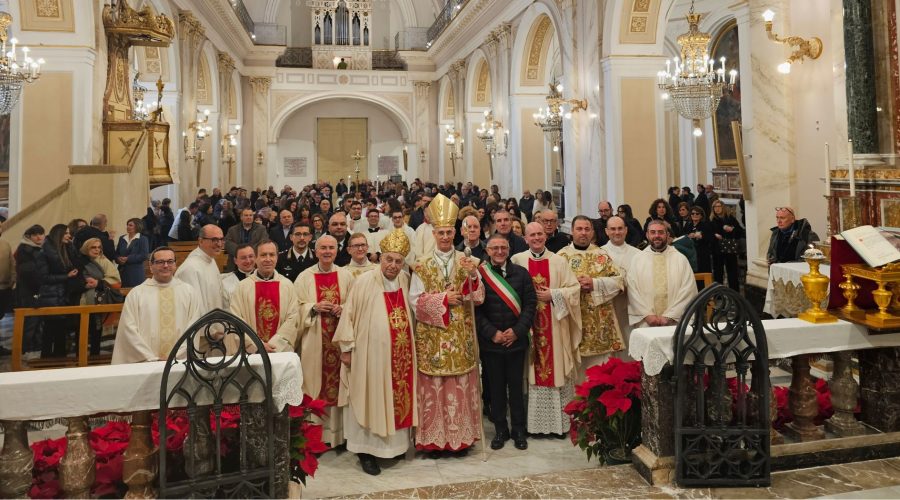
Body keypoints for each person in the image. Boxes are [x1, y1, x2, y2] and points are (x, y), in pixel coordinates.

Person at [334, 229, 417, 476]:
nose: (393, 265)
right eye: (389, 259)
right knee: (369, 397)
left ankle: (394, 447)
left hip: (400, 357)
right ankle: (366, 451)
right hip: (369, 357)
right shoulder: (364, 281)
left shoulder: (404, 280)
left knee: (396, 398)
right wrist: (346, 349)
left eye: (398, 261)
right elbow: (349, 315)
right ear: (380, 257)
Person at [409, 193, 484, 453]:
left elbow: (478, 297)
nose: (445, 237)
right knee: (434, 388)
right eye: (440, 232)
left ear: (456, 232)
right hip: (432, 337)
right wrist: (443, 299)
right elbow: (414, 301)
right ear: (433, 234)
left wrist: (473, 278)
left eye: (449, 232)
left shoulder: (468, 261)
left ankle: (461, 439)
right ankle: (433, 441)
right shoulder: (421, 266)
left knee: (461, 384)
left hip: (460, 335)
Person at [511, 222, 582, 437]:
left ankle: (560, 426)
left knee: (556, 368)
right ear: (525, 238)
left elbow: (574, 289)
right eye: (532, 235)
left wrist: (554, 294)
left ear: (546, 236)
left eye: (540, 234)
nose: (536, 238)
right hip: (528, 326)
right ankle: (535, 426)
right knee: (531, 371)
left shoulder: (559, 261)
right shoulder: (518, 260)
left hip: (555, 325)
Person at [475, 234, 536, 451]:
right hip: (491, 343)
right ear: (487, 251)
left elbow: (530, 304)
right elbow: (475, 310)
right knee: (496, 389)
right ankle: (501, 430)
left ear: (509, 250)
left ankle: (518, 430)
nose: (499, 251)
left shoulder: (521, 273)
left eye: (503, 247)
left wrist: (517, 331)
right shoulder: (479, 275)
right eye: (495, 248)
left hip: (515, 342)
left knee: (516, 388)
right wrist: (492, 333)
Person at [295, 235, 354, 447]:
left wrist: (343, 308)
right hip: (314, 342)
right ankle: (316, 438)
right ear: (316, 251)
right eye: (323, 248)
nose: (327, 251)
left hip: (339, 341)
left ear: (337, 251)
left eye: (331, 248)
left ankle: (339, 436)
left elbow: (355, 305)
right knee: (314, 385)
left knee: (340, 386)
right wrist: (313, 307)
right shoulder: (304, 277)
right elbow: (295, 308)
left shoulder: (346, 275)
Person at [111, 247, 203, 364]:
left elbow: (194, 328)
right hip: (146, 363)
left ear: (175, 265)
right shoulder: (137, 294)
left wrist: (176, 356)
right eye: (160, 262)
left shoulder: (189, 292)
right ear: (151, 266)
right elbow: (128, 330)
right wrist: (151, 358)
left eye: (170, 261)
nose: (166, 266)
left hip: (180, 363)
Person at [557, 216, 625, 369]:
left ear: (592, 232)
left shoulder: (602, 255)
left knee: (600, 373)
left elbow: (619, 282)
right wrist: (574, 287)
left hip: (601, 325)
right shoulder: (561, 257)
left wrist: (594, 283)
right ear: (571, 231)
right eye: (579, 229)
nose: (583, 233)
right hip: (572, 322)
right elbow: (554, 288)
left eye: (587, 229)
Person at [229, 240, 299, 353]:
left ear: (277, 258)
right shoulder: (242, 287)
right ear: (255, 258)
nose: (268, 259)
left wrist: (275, 344)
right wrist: (257, 345)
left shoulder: (287, 285)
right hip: (252, 351)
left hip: (281, 350)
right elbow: (236, 318)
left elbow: (293, 318)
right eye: (263, 255)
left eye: (272, 255)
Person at [626, 220, 698, 328]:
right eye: (653, 232)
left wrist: (670, 316)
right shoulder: (637, 259)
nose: (657, 236)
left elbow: (688, 290)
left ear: (667, 235)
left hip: (675, 321)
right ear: (647, 235)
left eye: (660, 232)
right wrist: (647, 315)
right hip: (646, 321)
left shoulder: (680, 259)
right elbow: (632, 291)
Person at [39, 224, 85, 358]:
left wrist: (71, 247)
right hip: (51, 295)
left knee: (61, 329)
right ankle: (46, 359)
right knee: (50, 330)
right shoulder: (46, 251)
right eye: (66, 233)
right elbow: (43, 277)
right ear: (58, 234)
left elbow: (77, 264)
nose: (69, 236)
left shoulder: (66, 248)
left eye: (69, 233)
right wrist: (66, 276)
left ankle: (60, 357)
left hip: (63, 294)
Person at [78, 237, 122, 355]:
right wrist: (83, 283)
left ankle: (95, 355)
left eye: (99, 247)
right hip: (80, 299)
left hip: (98, 299)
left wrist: (98, 283)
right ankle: (80, 357)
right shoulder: (79, 261)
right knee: (81, 330)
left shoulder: (104, 261)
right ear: (86, 248)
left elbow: (116, 280)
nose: (97, 250)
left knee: (95, 328)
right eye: (93, 247)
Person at [175, 224, 227, 314]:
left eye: (221, 239)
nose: (219, 244)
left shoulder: (210, 259)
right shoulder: (190, 269)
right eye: (214, 240)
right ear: (201, 241)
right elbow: (194, 309)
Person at [15, 225, 44, 358]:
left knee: (37, 320)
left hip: (35, 289)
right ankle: (26, 348)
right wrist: (41, 283)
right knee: (30, 321)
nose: (38, 237)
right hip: (29, 290)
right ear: (29, 236)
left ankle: (36, 346)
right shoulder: (25, 250)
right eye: (35, 235)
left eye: (41, 234)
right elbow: (29, 273)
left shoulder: (38, 248)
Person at [710, 200, 744, 291]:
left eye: (719, 206)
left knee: (732, 272)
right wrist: (714, 235)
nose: (717, 209)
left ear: (723, 207)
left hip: (729, 247)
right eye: (715, 207)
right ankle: (718, 293)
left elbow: (740, 231)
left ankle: (734, 293)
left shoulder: (730, 218)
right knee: (718, 272)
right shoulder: (712, 220)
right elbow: (708, 233)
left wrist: (732, 229)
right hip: (717, 249)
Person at [115, 218, 150, 288]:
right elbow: (116, 253)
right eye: (127, 225)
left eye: (130, 225)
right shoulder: (122, 238)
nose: (128, 227)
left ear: (137, 226)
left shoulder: (143, 239)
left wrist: (128, 258)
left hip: (135, 273)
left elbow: (144, 255)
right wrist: (118, 259)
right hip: (122, 271)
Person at [222, 243, 256, 308]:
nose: (248, 261)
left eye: (251, 256)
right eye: (243, 258)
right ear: (235, 261)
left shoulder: (263, 280)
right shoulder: (225, 284)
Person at [683, 206, 713, 275]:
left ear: (701, 215)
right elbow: (683, 236)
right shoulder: (688, 225)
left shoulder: (705, 226)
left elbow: (711, 238)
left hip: (702, 255)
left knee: (703, 274)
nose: (695, 215)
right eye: (692, 213)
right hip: (690, 254)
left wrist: (701, 236)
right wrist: (688, 236)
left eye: (697, 213)